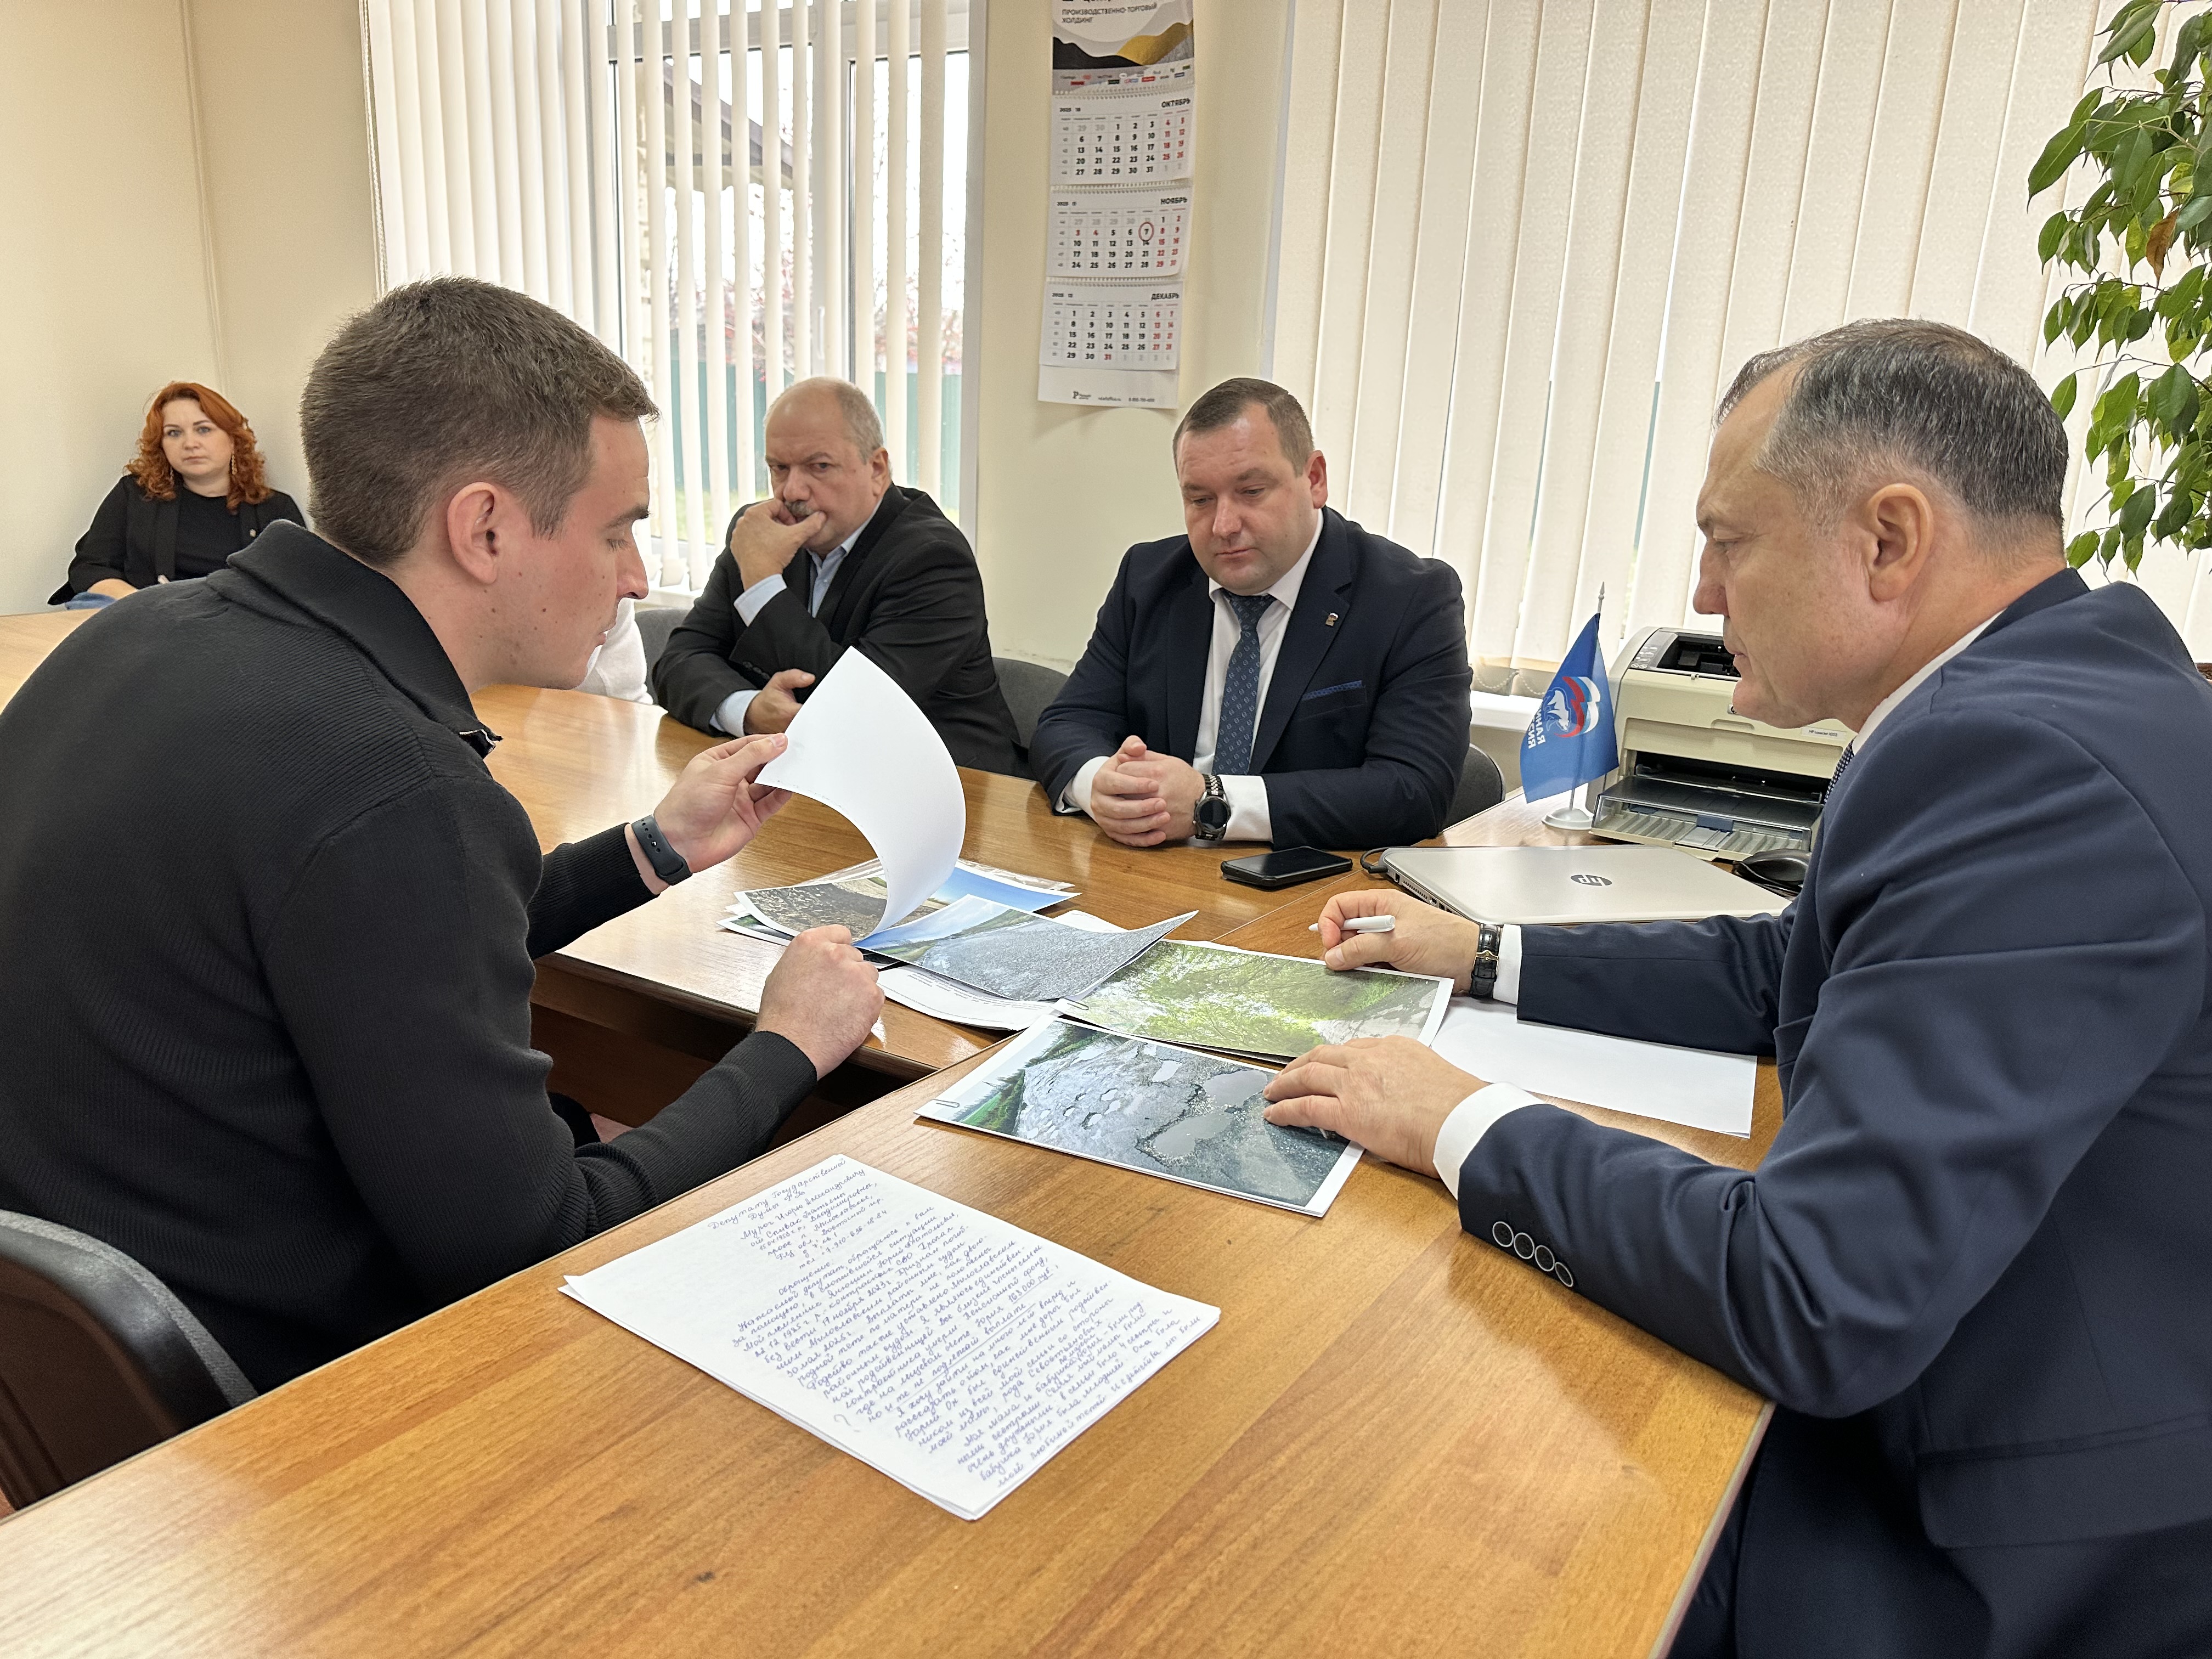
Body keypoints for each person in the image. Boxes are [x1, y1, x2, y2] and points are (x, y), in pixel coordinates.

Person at [1262, 320, 2212, 1658]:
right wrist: (1482, 957)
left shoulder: (2024, 766)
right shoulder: (2051, 690)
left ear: (1890, 540)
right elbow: (1793, 970)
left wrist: (1455, 1120)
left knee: (1447, 1526)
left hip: (1993, 1541)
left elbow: (1814, 1293)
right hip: (1994, 1370)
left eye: (1730, 541)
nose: (1704, 595)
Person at [0, 278, 883, 1393]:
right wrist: (788, 1046)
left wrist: (655, 847)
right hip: (287, 1407)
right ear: (485, 527)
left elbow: (376, 934)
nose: (635, 577)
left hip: (68, 1367)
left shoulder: (129, 636)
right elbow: (543, 1241)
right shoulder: (393, 784)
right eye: (617, 529)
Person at [1027, 377, 1471, 851]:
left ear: (1314, 479)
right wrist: (1101, 786)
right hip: (1156, 868)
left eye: (1252, 491)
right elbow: (1066, 724)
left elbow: (1413, 791)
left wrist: (1212, 802)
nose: (1223, 526)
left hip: (1304, 881)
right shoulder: (1150, 578)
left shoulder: (1410, 597)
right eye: (1200, 500)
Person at [650, 377, 1023, 774]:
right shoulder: (761, 534)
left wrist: (762, 584)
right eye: (779, 468)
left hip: (944, 784)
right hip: (806, 776)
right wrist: (749, 710)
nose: (792, 491)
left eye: (820, 467)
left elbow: (855, 709)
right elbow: (679, 662)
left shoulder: (934, 560)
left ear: (877, 469)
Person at [51, 381, 303, 605]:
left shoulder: (275, 508)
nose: (190, 444)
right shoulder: (135, 495)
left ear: (233, 439)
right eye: (174, 433)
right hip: (148, 619)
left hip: (237, 625)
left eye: (203, 429)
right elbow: (90, 567)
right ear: (162, 446)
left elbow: (299, 586)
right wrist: (141, 604)